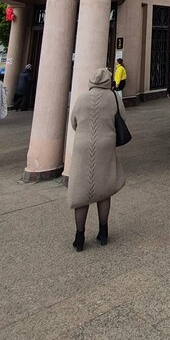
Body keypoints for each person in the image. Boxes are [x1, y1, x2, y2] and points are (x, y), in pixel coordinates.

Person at [68, 68, 126, 251]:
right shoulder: (114, 98)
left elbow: (73, 121)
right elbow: (122, 119)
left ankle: (79, 236)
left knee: (81, 193)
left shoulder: (81, 98)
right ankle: (103, 232)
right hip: (106, 145)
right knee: (104, 187)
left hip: (83, 146)